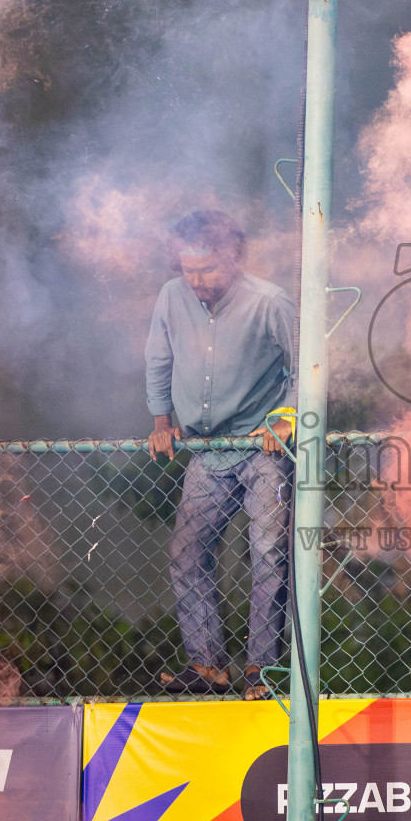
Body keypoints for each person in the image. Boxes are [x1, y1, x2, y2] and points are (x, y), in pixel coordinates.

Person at [145, 209, 296, 700]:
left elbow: (311, 369)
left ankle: (262, 671)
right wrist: (160, 419)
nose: (196, 280)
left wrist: (286, 417)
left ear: (232, 258)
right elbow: (158, 356)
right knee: (187, 554)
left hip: (261, 448)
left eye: (207, 269)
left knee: (269, 551)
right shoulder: (172, 295)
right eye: (188, 269)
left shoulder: (270, 302)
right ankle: (208, 667)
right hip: (206, 451)